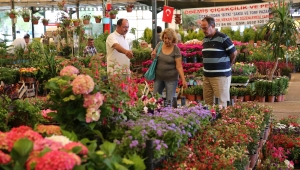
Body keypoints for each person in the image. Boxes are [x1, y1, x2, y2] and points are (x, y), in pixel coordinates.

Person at [200, 16, 237, 107]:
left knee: (222, 102)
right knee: (207, 102)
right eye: (202, 28)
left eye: (205, 28)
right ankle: (209, 120)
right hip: (207, 75)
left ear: (212, 26)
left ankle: (222, 121)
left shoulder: (223, 38)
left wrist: (229, 64)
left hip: (220, 76)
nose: (203, 30)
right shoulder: (205, 39)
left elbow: (234, 53)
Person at [151, 28, 188, 102]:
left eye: (169, 38)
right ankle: (156, 113)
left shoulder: (176, 49)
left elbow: (179, 66)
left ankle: (168, 113)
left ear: (173, 39)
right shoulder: (159, 45)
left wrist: (183, 80)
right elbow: (153, 55)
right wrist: (153, 55)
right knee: (155, 100)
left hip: (171, 79)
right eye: (165, 38)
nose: (166, 40)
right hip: (158, 77)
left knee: (169, 101)